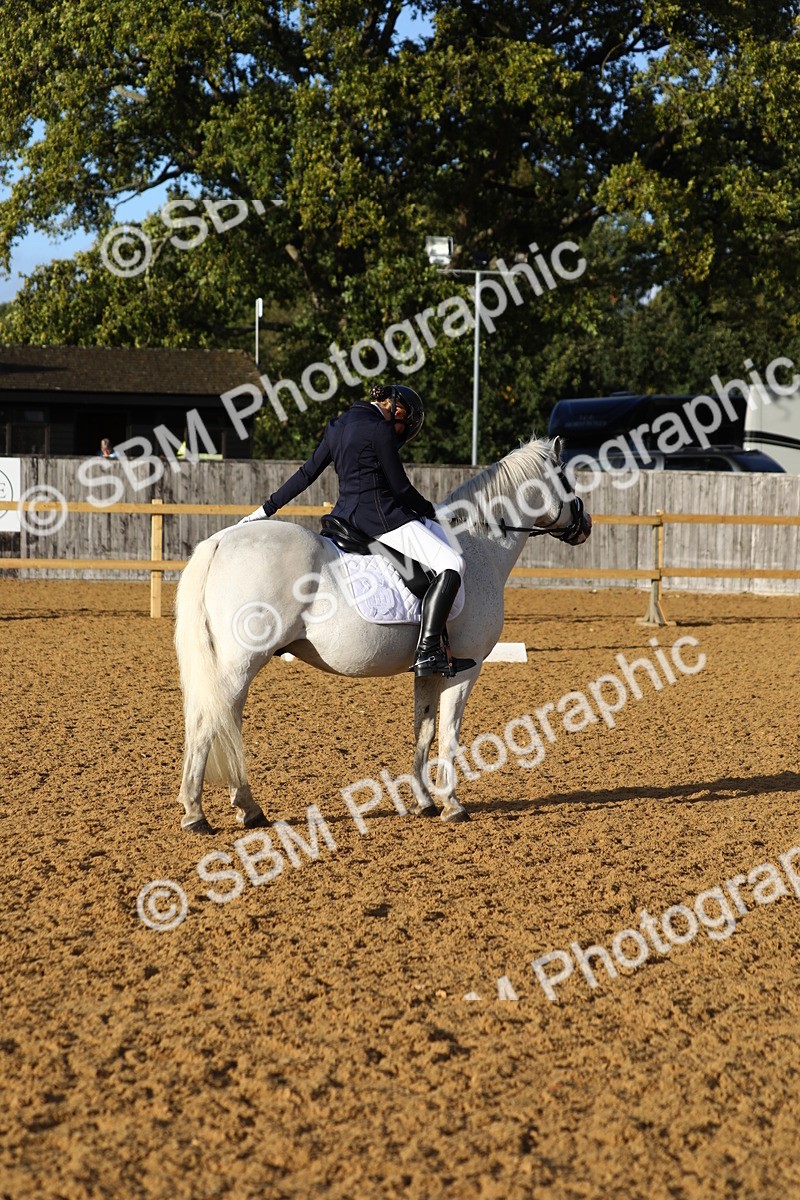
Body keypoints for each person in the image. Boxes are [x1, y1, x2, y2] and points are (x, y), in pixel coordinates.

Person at [239, 383, 475, 677]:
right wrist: (432, 512)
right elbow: (400, 488)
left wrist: (264, 511)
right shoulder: (380, 430)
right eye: (404, 426)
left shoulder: (337, 425)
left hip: (344, 520)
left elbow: (306, 474)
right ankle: (428, 650)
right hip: (383, 521)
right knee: (453, 563)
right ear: (396, 410)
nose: (401, 432)